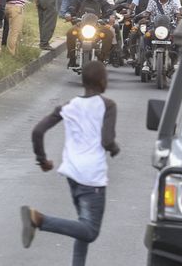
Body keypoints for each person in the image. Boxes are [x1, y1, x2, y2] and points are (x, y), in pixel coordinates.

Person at [22, 61, 119, 265]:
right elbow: (107, 140)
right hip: (92, 178)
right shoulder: (108, 106)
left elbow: (38, 131)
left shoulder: (69, 106)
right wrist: (114, 148)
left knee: (81, 229)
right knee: (90, 231)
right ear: (102, 82)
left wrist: (42, 160)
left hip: (72, 174)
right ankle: (39, 219)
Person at [65, 0, 114, 67]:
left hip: (98, 26)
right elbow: (71, 8)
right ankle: (72, 58)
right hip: (80, 25)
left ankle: (101, 59)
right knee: (70, 33)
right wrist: (69, 15)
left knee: (109, 34)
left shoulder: (101, 0)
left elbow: (108, 11)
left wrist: (110, 17)